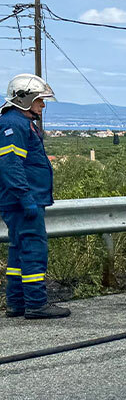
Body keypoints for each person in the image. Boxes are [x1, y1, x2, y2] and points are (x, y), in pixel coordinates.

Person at [0, 74, 69, 319]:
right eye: (40, 100)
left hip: (20, 200)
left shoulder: (18, 122)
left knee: (19, 250)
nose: (43, 105)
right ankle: (36, 304)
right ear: (26, 99)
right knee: (33, 250)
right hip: (22, 201)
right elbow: (11, 165)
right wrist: (25, 198)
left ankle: (17, 303)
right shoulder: (14, 125)